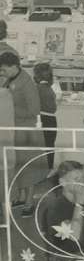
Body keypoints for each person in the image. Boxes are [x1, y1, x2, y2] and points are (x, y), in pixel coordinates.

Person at [0, 52, 42, 214]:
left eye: (4, 70)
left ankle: (29, 202)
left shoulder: (26, 83)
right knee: (17, 167)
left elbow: (34, 110)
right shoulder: (11, 79)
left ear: (14, 66)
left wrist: (9, 109)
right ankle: (21, 198)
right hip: (13, 129)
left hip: (26, 130)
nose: (2, 73)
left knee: (28, 167)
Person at [33, 62, 57, 170]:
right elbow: (53, 108)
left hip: (40, 119)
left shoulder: (36, 88)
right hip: (51, 119)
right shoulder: (50, 88)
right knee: (50, 146)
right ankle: (49, 168)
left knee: (39, 147)